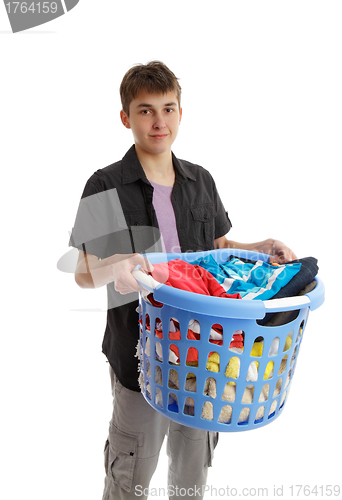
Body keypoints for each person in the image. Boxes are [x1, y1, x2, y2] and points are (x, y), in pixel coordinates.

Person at [70, 61, 297, 499]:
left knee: (192, 478)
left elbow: (219, 251)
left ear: (181, 113)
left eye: (168, 108)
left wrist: (262, 247)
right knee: (129, 477)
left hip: (202, 356)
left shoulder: (201, 181)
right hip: (140, 358)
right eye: (145, 110)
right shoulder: (104, 185)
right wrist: (114, 265)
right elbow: (83, 274)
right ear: (126, 118)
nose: (159, 121)